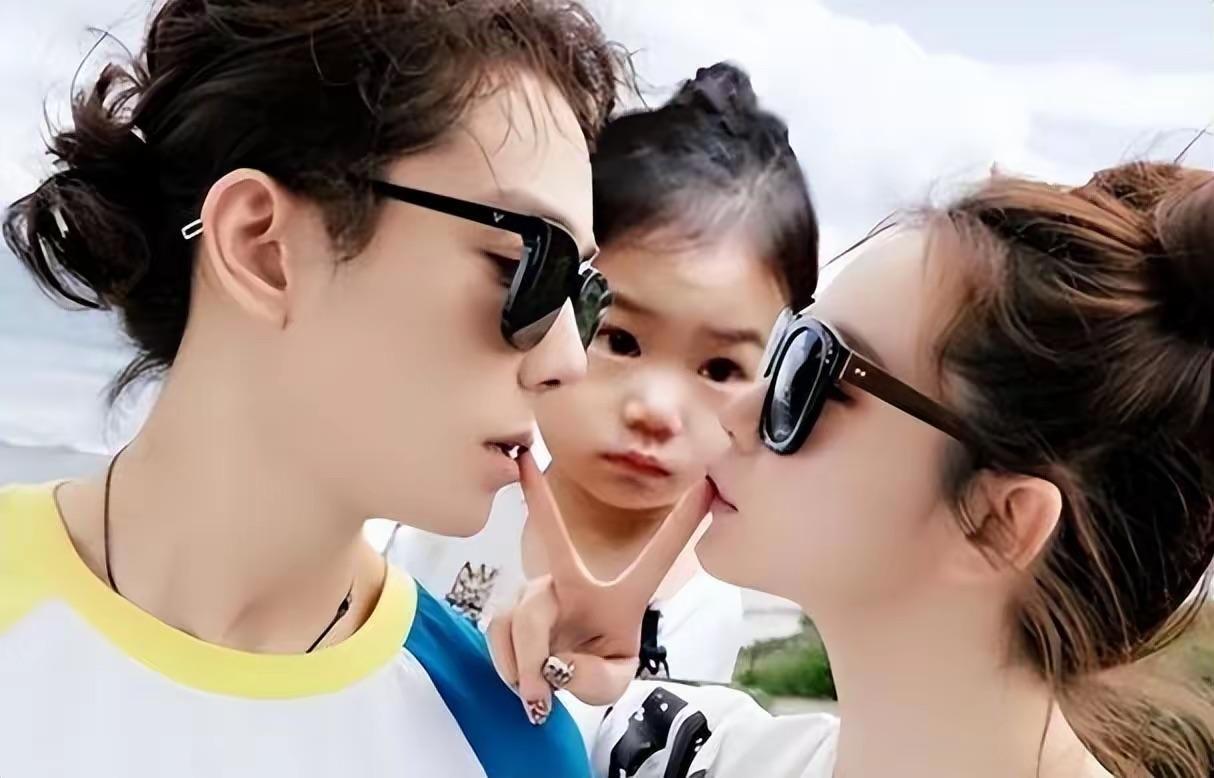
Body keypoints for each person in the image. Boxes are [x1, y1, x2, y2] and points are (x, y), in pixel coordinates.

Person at [0, 1, 627, 776]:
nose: (569, 359)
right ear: (261, 246)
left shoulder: (506, 743)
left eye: (584, 296)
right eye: (525, 266)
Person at [494, 161, 1214, 778]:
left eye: (810, 375)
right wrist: (554, 677)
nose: (737, 411)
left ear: (999, 523)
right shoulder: (678, 753)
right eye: (783, 346)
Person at [383, 62, 817, 701]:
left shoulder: (711, 605)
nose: (655, 410)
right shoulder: (450, 507)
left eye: (721, 369)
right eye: (620, 339)